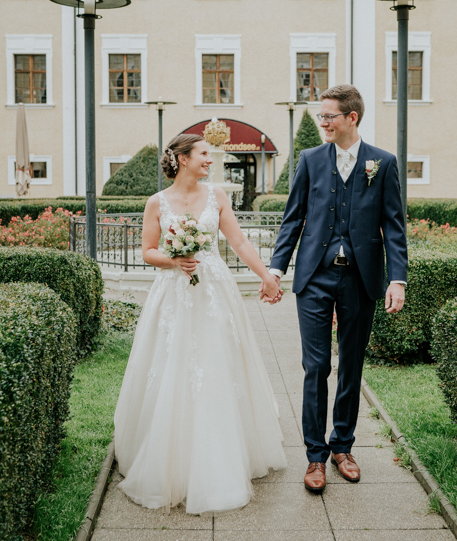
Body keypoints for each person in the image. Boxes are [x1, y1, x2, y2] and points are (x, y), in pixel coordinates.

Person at [114, 133, 286, 515]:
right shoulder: (156, 202)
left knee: (218, 364)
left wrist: (267, 276)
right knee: (171, 364)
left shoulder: (217, 197)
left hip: (213, 291)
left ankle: (222, 453)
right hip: (173, 294)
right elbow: (147, 251)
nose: (210, 160)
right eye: (204, 154)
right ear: (181, 158)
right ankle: (168, 455)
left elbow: (238, 241)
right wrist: (175, 261)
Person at [267, 84, 408, 493]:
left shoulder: (382, 163)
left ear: (352, 117)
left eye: (329, 116)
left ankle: (342, 447)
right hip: (314, 276)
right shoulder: (310, 160)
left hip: (361, 278)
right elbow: (292, 220)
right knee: (316, 366)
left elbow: (394, 226)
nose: (322, 122)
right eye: (320, 116)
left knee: (350, 365)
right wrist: (276, 269)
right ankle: (315, 456)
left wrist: (396, 279)